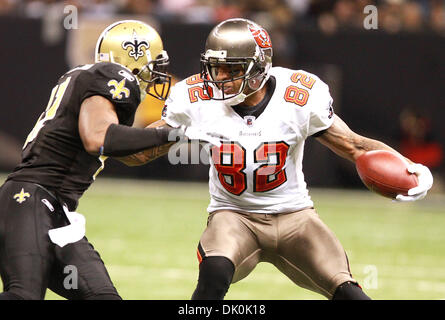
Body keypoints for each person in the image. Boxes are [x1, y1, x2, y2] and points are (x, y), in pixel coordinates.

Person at [143, 18, 434, 300]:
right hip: (233, 215)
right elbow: (143, 149)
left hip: (294, 216)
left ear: (258, 68)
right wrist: (108, 140)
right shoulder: (196, 99)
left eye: (230, 69)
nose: (219, 78)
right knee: (214, 272)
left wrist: (409, 167)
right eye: (214, 68)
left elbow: (354, 145)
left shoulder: (297, 96)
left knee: (349, 292)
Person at [0, 19, 212, 300]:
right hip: (30, 199)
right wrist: (176, 134)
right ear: (133, 58)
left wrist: (181, 131)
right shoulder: (113, 75)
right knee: (23, 296)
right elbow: (97, 138)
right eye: (154, 63)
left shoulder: (94, 78)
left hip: (53, 210)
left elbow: (132, 154)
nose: (158, 73)